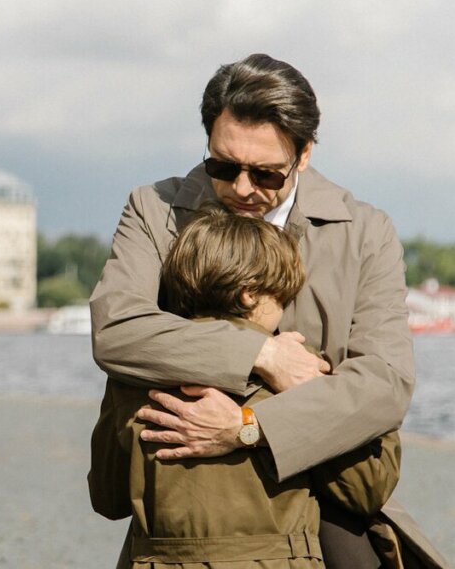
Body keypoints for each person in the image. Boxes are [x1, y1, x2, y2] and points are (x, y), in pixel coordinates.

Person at [90, 53, 448, 568]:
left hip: (327, 499)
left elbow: (385, 384)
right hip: (186, 508)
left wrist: (250, 425)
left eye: (265, 174)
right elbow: (116, 329)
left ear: (303, 155)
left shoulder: (365, 232)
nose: (241, 188)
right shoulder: (155, 209)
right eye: (222, 166)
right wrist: (262, 355)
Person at [89, 203, 403, 567]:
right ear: (249, 294)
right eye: (281, 296)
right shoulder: (297, 371)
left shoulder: (133, 376)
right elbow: (367, 488)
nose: (284, 309)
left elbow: (108, 498)